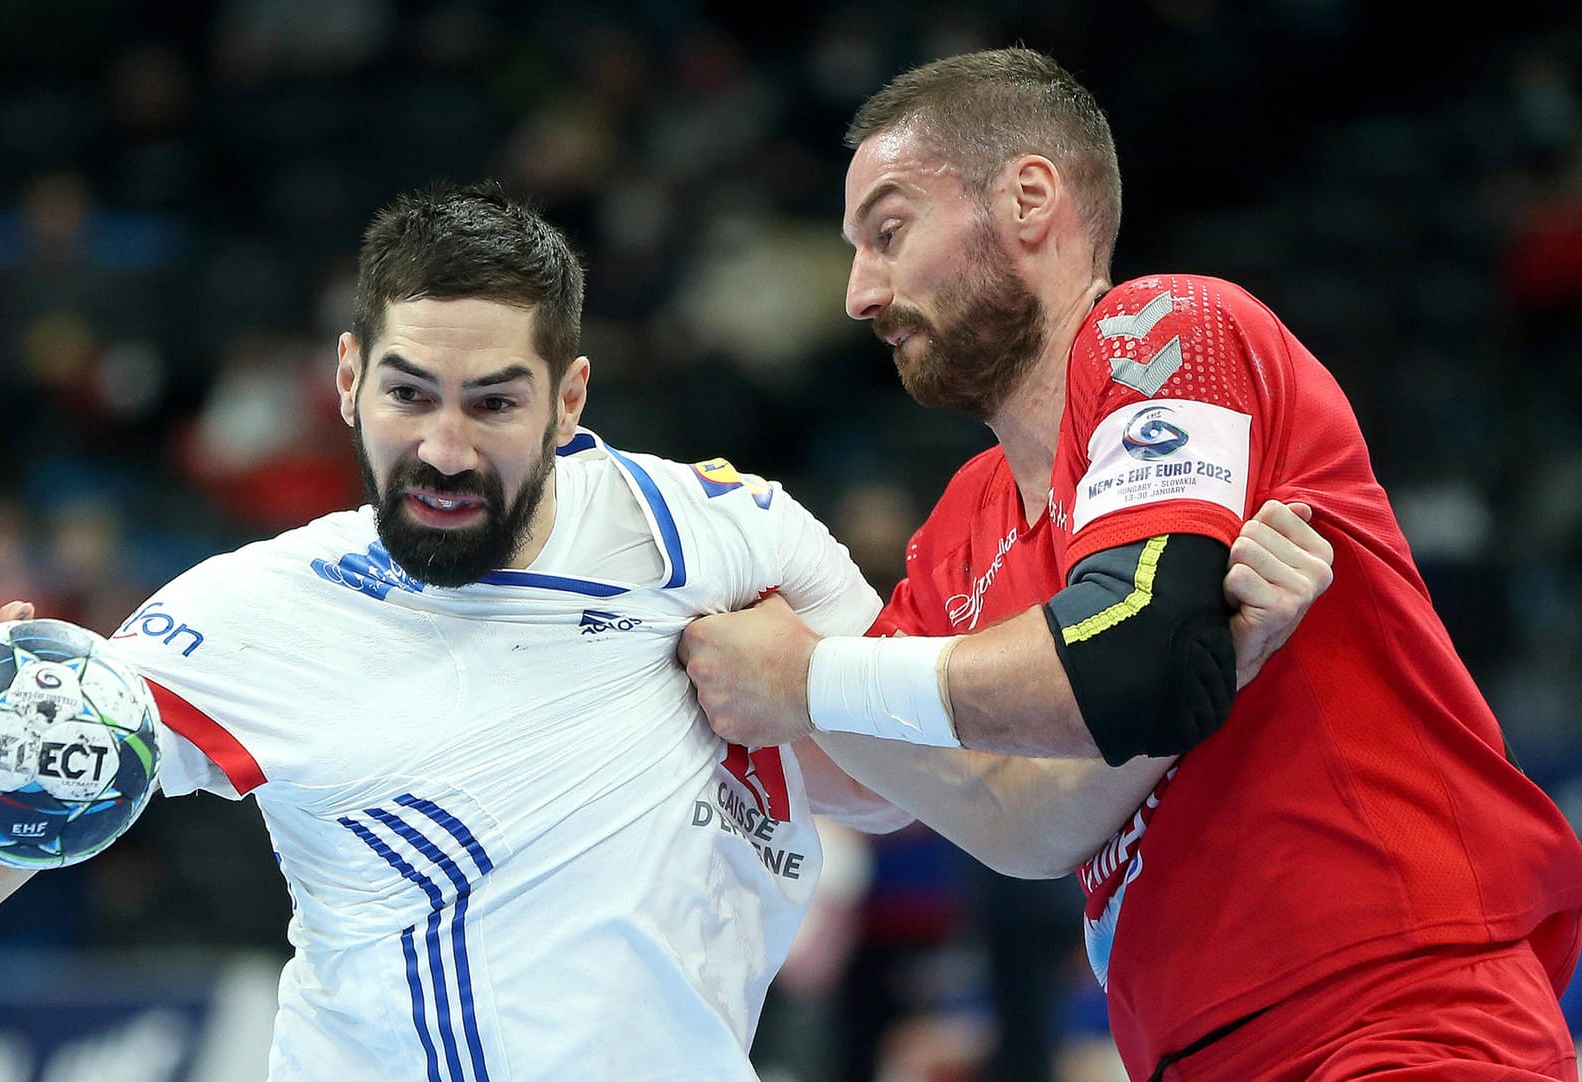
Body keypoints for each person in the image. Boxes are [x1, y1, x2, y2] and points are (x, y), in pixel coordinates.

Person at [0, 182, 1328, 1081]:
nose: (443, 443)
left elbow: (960, 798)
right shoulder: (248, 615)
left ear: (567, 400)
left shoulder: (724, 536)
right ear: (351, 377)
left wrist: (1211, 655)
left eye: (493, 401)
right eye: (410, 392)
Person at [678, 47, 1582, 1081]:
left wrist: (801, 676)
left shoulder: (1167, 328)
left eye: (889, 233)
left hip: (1394, 1011)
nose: (858, 293)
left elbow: (1127, 660)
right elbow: (990, 813)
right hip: (1190, 1050)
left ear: (1027, 199)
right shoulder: (959, 526)